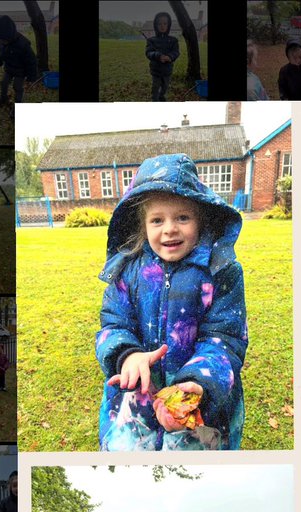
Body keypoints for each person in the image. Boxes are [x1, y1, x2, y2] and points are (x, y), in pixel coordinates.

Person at [96, 153, 247, 452]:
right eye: (157, 220)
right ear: (142, 225)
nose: (169, 229)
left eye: (182, 217)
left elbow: (225, 338)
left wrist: (197, 385)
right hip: (136, 401)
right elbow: (113, 323)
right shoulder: (128, 270)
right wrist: (127, 356)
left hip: (198, 402)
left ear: (201, 219)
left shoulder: (221, 270)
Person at [0, 13, 37, 106]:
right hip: (9, 68)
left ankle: (18, 104)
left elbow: (32, 61)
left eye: (0, 39)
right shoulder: (1, 41)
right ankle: (3, 98)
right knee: (3, 83)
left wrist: (31, 77)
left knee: (17, 87)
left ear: (8, 35)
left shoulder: (23, 44)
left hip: (20, 71)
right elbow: (2, 53)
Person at [145, 11, 179, 102]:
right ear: (156, 25)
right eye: (159, 24)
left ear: (169, 25)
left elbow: (176, 52)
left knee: (165, 87)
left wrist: (170, 57)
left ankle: (162, 96)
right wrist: (158, 55)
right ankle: (155, 100)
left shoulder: (173, 40)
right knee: (155, 88)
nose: (162, 26)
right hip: (156, 71)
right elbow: (148, 53)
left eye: (165, 23)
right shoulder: (151, 40)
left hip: (167, 71)